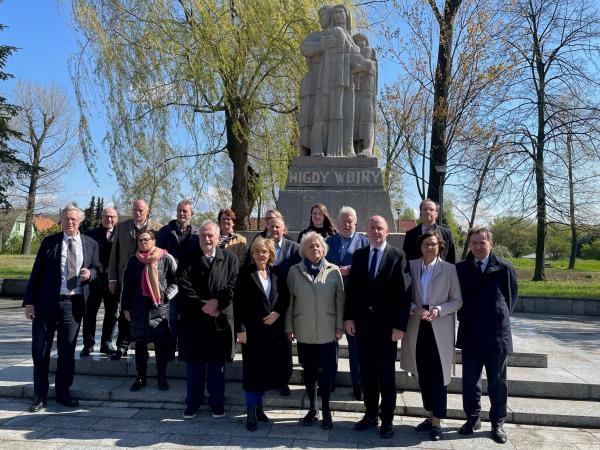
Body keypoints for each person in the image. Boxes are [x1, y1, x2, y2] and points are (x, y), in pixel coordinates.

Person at [23, 203, 99, 413]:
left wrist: (89, 274)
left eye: (74, 219)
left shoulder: (91, 243)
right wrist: (29, 303)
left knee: (67, 352)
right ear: (61, 221)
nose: (70, 222)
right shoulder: (49, 242)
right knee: (40, 351)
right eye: (66, 219)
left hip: (72, 305)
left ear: (80, 221)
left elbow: (96, 269)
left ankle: (63, 392)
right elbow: (36, 273)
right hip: (45, 304)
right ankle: (40, 395)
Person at [345, 215, 411, 439]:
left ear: (387, 231)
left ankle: (387, 419)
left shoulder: (398, 256)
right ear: (366, 231)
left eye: (379, 228)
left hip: (386, 330)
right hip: (362, 328)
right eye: (371, 227)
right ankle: (370, 413)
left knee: (386, 375)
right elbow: (352, 291)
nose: (375, 231)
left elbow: (404, 295)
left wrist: (400, 326)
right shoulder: (360, 255)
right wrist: (349, 318)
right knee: (367, 374)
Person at [456, 227, 518, 444]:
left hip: (496, 335)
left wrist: (496, 316)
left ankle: (497, 422)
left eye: (482, 242)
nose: (477, 247)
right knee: (470, 381)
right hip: (471, 333)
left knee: (497, 382)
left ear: (490, 243)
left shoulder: (504, 267)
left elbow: (511, 299)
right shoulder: (461, 269)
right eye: (473, 243)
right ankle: (472, 419)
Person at [400, 230, 462, 441]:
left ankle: (437, 422)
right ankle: (429, 416)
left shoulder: (449, 269)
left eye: (434, 244)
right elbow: (402, 294)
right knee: (423, 374)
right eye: (426, 244)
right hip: (417, 324)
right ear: (420, 246)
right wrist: (413, 308)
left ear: (440, 247)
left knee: (439, 375)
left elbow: (457, 300)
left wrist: (439, 310)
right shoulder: (412, 265)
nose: (430, 247)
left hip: (439, 326)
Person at [176, 220, 238, 419]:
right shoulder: (188, 258)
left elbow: (233, 285)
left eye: (211, 235)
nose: (207, 239)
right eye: (203, 235)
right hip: (195, 319)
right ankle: (192, 403)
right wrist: (204, 305)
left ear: (219, 238)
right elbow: (183, 285)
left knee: (216, 366)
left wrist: (216, 303)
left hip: (219, 320)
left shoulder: (230, 259)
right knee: (194, 366)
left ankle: (216, 403)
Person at [286, 232, 344, 430]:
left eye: (318, 245)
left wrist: (339, 325)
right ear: (303, 251)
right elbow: (289, 302)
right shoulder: (294, 271)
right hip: (304, 330)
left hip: (327, 331)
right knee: (309, 373)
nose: (315, 248)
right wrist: (288, 327)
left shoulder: (334, 270)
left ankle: (326, 410)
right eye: (310, 246)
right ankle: (313, 408)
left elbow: (340, 300)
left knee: (326, 374)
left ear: (324, 249)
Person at [234, 237, 289, 431]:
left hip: (272, 332)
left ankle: (259, 407)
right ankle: (250, 411)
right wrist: (240, 329)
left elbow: (285, 297)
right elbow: (238, 304)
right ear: (252, 255)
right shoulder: (244, 274)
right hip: (252, 332)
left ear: (270, 254)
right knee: (252, 372)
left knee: (264, 370)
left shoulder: (277, 273)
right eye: (257, 252)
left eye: (264, 252)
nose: (260, 255)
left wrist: (277, 313)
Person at [121, 230, 178, 392]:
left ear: (154, 240)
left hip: (159, 310)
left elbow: (176, 280)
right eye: (140, 240)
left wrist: (166, 296)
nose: (143, 243)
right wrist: (125, 307)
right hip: (138, 309)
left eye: (146, 239)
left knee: (161, 347)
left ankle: (161, 377)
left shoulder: (166, 258)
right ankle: (140, 377)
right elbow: (127, 287)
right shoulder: (133, 261)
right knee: (139, 346)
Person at [325, 206, 368, 400]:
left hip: (355, 302)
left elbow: (369, 265)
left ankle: (357, 383)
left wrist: (350, 269)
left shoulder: (365, 243)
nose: (346, 224)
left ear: (355, 223)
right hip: (331, 299)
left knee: (356, 345)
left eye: (350, 221)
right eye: (343, 221)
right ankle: (329, 379)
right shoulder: (329, 242)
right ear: (338, 222)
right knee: (330, 342)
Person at [108, 199, 160, 360]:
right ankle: (122, 345)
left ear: (147, 211)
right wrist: (112, 278)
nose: (138, 213)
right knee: (124, 311)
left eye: (141, 210)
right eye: (135, 210)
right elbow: (114, 254)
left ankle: (149, 344)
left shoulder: (157, 228)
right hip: (126, 278)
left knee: (149, 314)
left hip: (149, 279)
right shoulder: (122, 227)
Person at [267, 215, 300, 396]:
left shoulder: (294, 248)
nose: (274, 230)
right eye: (271, 226)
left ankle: (283, 380)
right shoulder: (261, 246)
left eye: (277, 227)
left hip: (286, 303)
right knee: (268, 344)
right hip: (265, 303)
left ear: (283, 229)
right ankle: (270, 377)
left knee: (284, 344)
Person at [81, 206, 119, 356]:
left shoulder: (121, 234)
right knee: (89, 313)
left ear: (116, 218)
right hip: (94, 280)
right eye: (105, 216)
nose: (109, 219)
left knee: (112, 313)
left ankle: (106, 343)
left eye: (112, 217)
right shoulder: (91, 234)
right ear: (101, 218)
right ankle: (88, 344)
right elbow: (85, 254)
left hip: (113, 280)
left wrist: (112, 268)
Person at [299, 5, 332, 155]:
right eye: (320, 17)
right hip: (314, 85)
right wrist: (320, 46)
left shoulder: (342, 36)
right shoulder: (315, 36)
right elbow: (304, 49)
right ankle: (310, 149)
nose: (320, 20)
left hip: (335, 87)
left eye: (323, 16)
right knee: (311, 118)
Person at [403, 199, 456, 263]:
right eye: (425, 209)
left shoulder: (447, 234)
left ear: (436, 214)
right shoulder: (410, 234)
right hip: (417, 272)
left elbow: (451, 259)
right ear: (420, 213)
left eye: (431, 210)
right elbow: (405, 260)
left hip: (442, 272)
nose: (428, 211)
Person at [352, 33, 377, 157]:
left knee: (366, 120)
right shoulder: (353, 57)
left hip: (367, 95)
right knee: (353, 122)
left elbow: (366, 65)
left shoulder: (370, 54)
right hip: (354, 95)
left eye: (362, 41)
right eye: (356, 42)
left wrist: (356, 68)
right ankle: (355, 148)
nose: (359, 44)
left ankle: (367, 148)